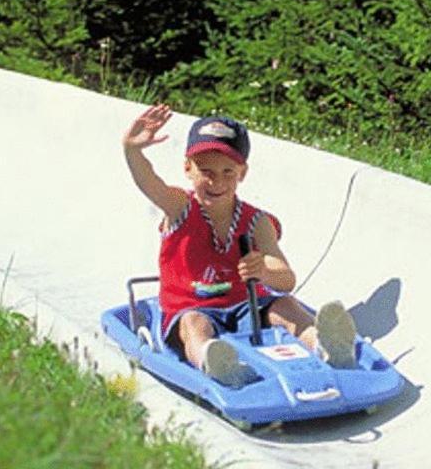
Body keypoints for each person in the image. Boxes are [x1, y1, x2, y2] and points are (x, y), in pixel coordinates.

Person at [121, 104, 357, 384]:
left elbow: (285, 279)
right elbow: (151, 184)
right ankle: (214, 360)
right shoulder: (180, 207)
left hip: (245, 303)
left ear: (242, 173)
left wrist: (264, 271)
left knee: (286, 306)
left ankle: (326, 345)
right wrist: (132, 151)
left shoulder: (257, 221)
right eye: (205, 171)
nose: (216, 181)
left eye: (227, 172)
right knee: (194, 324)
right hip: (192, 305)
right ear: (188, 168)